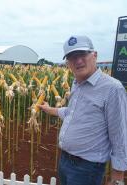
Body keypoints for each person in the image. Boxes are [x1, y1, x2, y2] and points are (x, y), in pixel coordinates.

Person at [38, 35, 127, 185]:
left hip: (87, 168)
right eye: (72, 57)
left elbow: (119, 135)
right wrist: (48, 109)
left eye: (83, 54)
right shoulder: (77, 83)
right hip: (65, 161)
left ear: (95, 55)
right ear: (68, 63)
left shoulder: (112, 89)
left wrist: (117, 176)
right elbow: (72, 112)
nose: (78, 61)